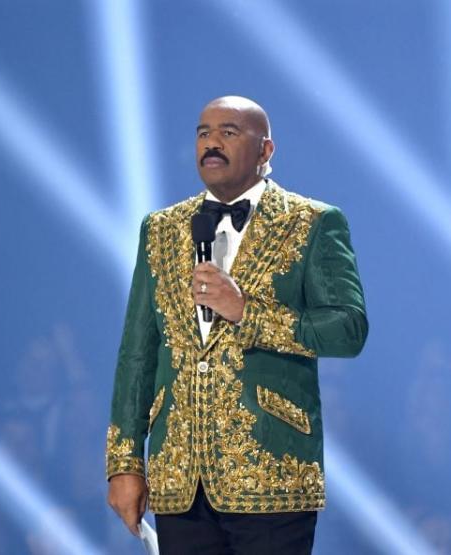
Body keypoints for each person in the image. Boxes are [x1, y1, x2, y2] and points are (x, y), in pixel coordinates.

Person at [106, 95, 368, 554]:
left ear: (266, 150)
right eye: (203, 133)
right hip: (179, 476)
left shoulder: (312, 222)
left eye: (229, 132)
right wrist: (125, 464)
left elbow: (348, 329)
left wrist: (247, 311)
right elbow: (138, 352)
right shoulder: (163, 228)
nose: (212, 143)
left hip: (272, 471)